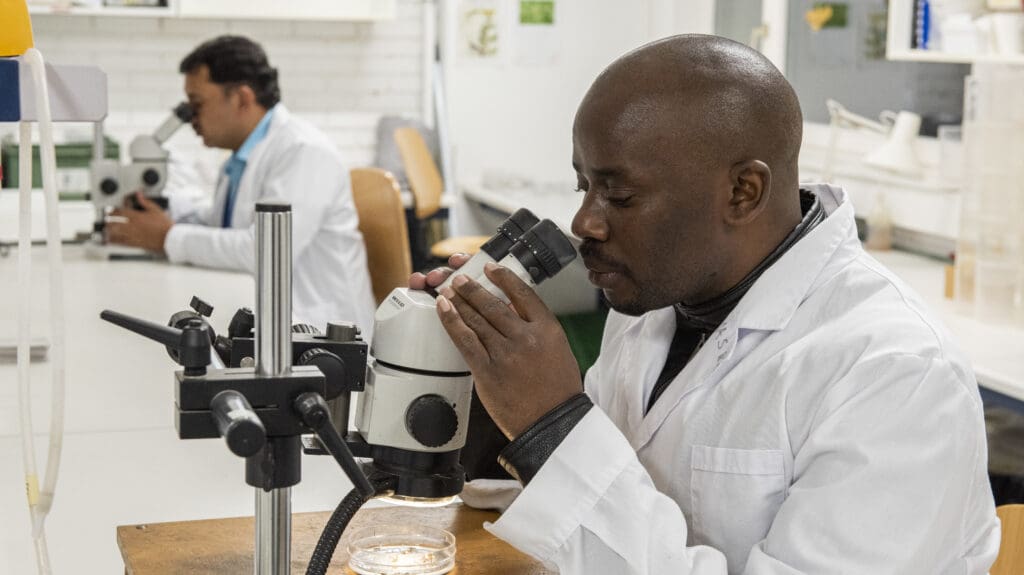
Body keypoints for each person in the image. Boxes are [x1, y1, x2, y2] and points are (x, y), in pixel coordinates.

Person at [412, 35, 1001, 573]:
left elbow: (590, 491)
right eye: (582, 185)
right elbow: (597, 509)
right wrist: (486, 401)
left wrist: (551, 426)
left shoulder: (896, 373)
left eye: (619, 194)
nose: (584, 221)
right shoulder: (657, 302)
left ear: (743, 192)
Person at [106, 35, 375, 333]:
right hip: (267, 319)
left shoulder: (303, 151)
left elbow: (263, 252)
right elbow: (223, 226)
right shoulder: (241, 157)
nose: (191, 118)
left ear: (242, 98)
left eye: (197, 103)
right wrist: (163, 212)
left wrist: (168, 236)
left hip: (320, 334)